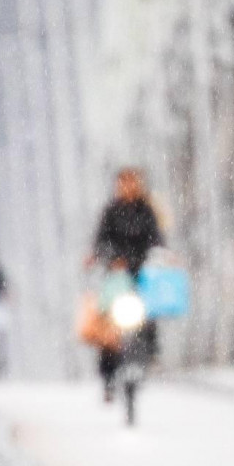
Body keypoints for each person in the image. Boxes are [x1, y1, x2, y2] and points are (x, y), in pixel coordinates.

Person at [87, 168, 163, 397]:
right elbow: (101, 241)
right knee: (108, 326)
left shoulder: (147, 211)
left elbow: (156, 239)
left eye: (133, 182)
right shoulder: (111, 212)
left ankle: (150, 354)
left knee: (149, 313)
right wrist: (109, 258)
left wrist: (159, 255)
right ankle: (108, 377)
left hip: (141, 275)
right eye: (124, 183)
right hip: (116, 277)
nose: (129, 187)